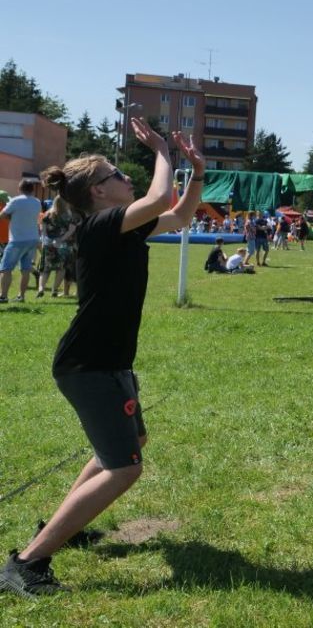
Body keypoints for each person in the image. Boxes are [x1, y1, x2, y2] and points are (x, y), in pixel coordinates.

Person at [0, 120, 203, 597]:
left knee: (129, 443)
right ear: (98, 191)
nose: (126, 178)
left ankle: (62, 526)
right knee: (124, 467)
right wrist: (161, 151)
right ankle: (26, 563)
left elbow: (179, 216)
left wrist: (196, 173)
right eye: (116, 174)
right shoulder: (100, 225)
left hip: (106, 363)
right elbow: (159, 199)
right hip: (89, 366)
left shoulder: (123, 226)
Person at [0, 178, 43, 303]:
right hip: (33, 239)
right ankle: (21, 296)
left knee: (6, 268)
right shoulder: (37, 202)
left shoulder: (15, 201)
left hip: (17, 239)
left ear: (19, 189)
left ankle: (3, 296)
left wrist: (12, 218)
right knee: (26, 269)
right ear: (32, 189)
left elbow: (2, 215)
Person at [36, 197, 79, 299]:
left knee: (45, 269)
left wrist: (44, 241)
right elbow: (71, 230)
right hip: (63, 245)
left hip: (48, 244)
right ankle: (54, 290)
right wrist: (61, 239)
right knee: (61, 269)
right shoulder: (69, 216)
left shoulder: (47, 214)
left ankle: (41, 288)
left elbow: (43, 229)